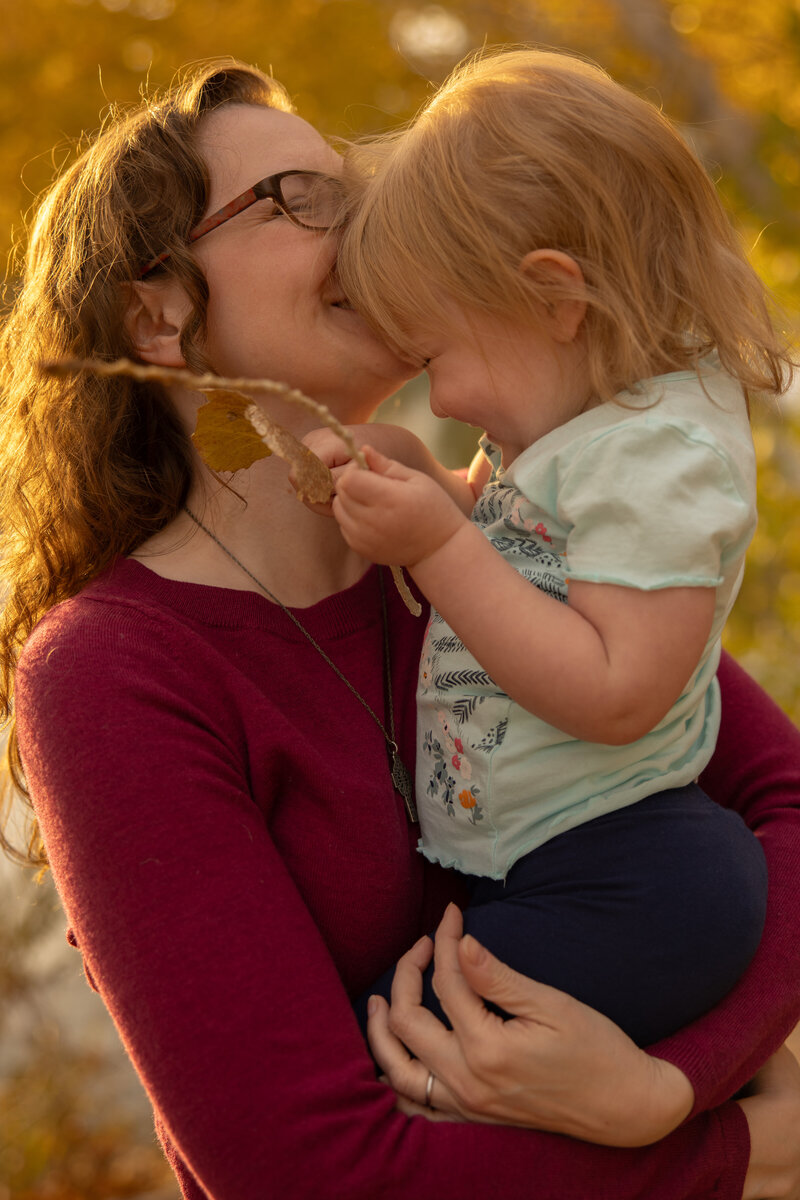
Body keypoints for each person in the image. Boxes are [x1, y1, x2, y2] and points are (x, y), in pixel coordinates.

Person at [0, 57, 799, 1200]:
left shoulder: (482, 536)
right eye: (295, 199)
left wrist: (663, 1088)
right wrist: (727, 1140)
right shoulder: (116, 671)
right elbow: (304, 1171)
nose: (369, 215)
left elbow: (782, 800)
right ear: (158, 315)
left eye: (351, 179)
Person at [305, 46, 790, 1048]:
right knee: (413, 1036)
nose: (438, 400)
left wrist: (434, 541)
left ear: (554, 297)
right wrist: (416, 482)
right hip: (560, 865)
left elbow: (617, 691)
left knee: (389, 1047)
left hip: (633, 882)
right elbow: (511, 545)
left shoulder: (658, 456)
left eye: (435, 357)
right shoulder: (570, 419)